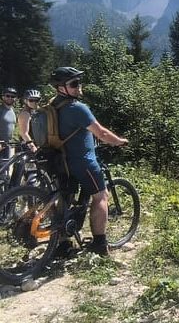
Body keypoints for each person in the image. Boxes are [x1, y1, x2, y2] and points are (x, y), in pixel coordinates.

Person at [50, 66, 128, 256]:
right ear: (62, 88)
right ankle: (100, 244)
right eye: (74, 84)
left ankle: (63, 243)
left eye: (78, 83)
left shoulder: (52, 105)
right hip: (82, 162)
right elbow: (101, 133)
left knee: (65, 197)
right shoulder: (77, 108)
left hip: (61, 161)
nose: (79, 87)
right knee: (101, 196)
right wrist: (118, 141)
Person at [17, 89, 41, 153]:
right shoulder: (25, 114)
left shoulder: (36, 112)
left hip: (36, 145)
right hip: (27, 146)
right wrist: (32, 147)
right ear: (25, 101)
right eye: (31, 100)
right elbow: (24, 133)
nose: (34, 102)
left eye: (37, 100)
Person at [0, 87, 17, 159]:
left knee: (5, 169)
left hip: (7, 145)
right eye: (7, 96)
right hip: (0, 144)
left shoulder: (12, 111)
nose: (10, 98)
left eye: (12, 96)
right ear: (3, 97)